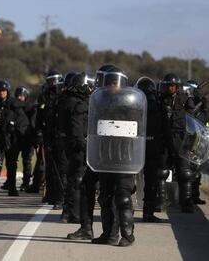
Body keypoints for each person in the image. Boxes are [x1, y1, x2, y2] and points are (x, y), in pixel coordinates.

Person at [91, 66, 140, 247]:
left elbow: (136, 128)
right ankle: (109, 234)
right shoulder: (100, 103)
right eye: (109, 83)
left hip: (124, 157)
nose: (113, 86)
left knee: (123, 197)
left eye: (115, 83)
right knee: (105, 196)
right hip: (105, 155)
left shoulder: (131, 104)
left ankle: (127, 235)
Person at [67, 65, 114, 241]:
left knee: (111, 193)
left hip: (111, 154)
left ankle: (111, 232)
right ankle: (88, 228)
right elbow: (81, 128)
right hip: (95, 152)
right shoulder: (94, 100)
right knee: (88, 188)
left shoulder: (119, 101)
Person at [159, 73, 194, 213]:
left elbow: (192, 119)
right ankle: (159, 202)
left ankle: (186, 203)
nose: (170, 88)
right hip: (164, 138)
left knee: (184, 173)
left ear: (177, 87)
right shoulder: (160, 100)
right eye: (168, 86)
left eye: (173, 86)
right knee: (161, 172)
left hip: (180, 138)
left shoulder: (185, 100)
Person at [58, 72, 90, 224]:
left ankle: (68, 212)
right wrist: (85, 147)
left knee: (72, 178)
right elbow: (77, 130)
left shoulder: (67, 99)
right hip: (77, 145)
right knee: (77, 179)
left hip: (71, 144)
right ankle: (75, 214)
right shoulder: (76, 102)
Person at [136, 77, 167, 222]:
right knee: (151, 183)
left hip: (135, 148)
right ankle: (148, 213)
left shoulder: (134, 106)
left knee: (127, 180)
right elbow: (166, 130)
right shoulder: (159, 106)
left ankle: (123, 210)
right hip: (153, 149)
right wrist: (169, 150)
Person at [35, 70, 64, 208]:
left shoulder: (62, 95)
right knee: (49, 167)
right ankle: (51, 194)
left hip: (59, 134)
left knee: (59, 168)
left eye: (55, 80)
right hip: (47, 134)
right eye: (51, 80)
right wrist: (38, 132)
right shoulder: (44, 96)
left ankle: (60, 197)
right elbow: (40, 116)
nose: (53, 83)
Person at [184, 79, 207, 205]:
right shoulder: (185, 102)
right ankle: (185, 197)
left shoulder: (201, 105)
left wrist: (204, 105)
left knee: (196, 171)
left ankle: (194, 195)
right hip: (186, 141)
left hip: (198, 141)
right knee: (187, 171)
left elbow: (204, 118)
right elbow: (188, 112)